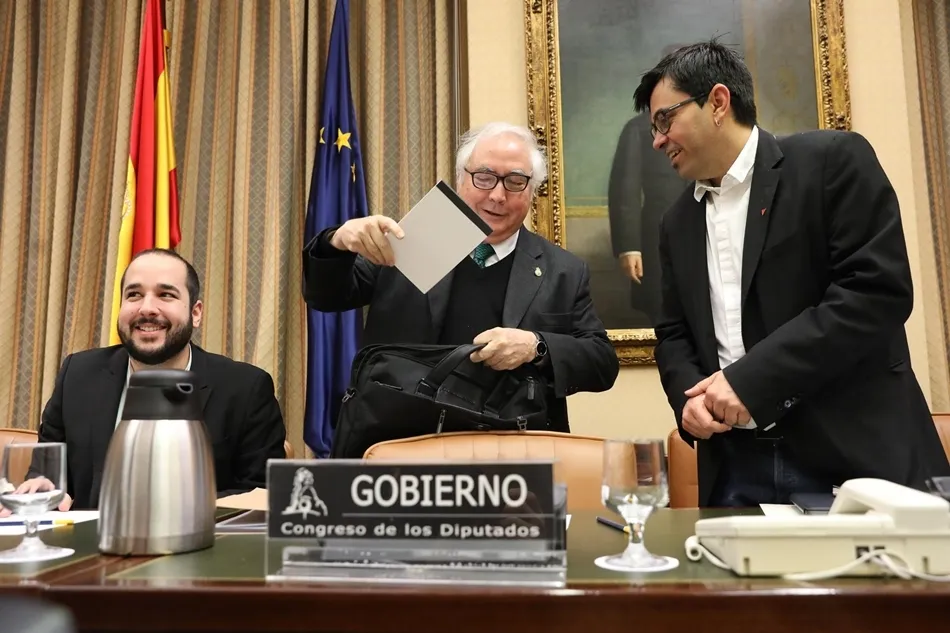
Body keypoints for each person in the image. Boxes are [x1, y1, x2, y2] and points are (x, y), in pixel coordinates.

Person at [632, 40, 950, 507]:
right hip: (734, 466)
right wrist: (689, 402)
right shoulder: (676, 222)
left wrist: (750, 381)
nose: (657, 141)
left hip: (850, 455)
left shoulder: (832, 161)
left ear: (717, 102)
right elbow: (674, 332)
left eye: (665, 120)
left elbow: (874, 293)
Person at [303, 122, 620, 435]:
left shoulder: (561, 270)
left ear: (532, 191)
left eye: (515, 182)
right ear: (460, 179)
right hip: (402, 439)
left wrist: (536, 346)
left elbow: (602, 363)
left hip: (513, 447)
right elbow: (326, 297)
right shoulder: (412, 240)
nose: (497, 195)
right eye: (484, 177)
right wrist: (336, 242)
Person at [2, 249, 287, 513]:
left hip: (197, 546)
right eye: (134, 295)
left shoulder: (246, 388)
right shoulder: (78, 373)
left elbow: (261, 494)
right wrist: (43, 488)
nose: (147, 308)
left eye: (166, 295)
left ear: (195, 313)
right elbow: (47, 471)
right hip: (85, 546)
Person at [608, 44, 690, 327]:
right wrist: (629, 247)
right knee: (661, 309)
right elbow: (625, 191)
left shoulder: (709, 123)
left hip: (705, 231)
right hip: (656, 235)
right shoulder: (638, 128)